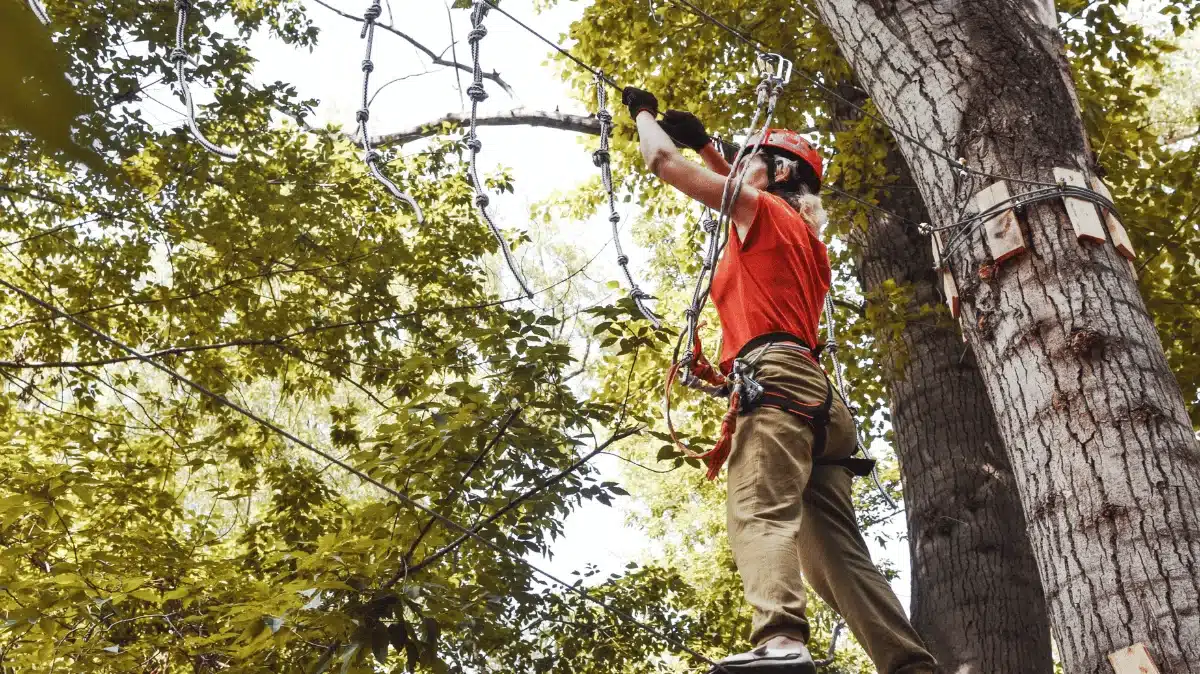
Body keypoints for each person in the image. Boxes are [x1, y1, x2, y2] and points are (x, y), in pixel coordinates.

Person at [621, 86, 938, 674]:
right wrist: (711, 147)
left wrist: (643, 114)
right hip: (816, 398)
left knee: (759, 509)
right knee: (834, 558)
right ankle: (910, 666)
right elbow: (744, 189)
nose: (739, 165)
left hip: (777, 380)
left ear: (781, 171)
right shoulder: (805, 237)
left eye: (752, 159)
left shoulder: (762, 214)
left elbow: (663, 162)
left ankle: (782, 641)